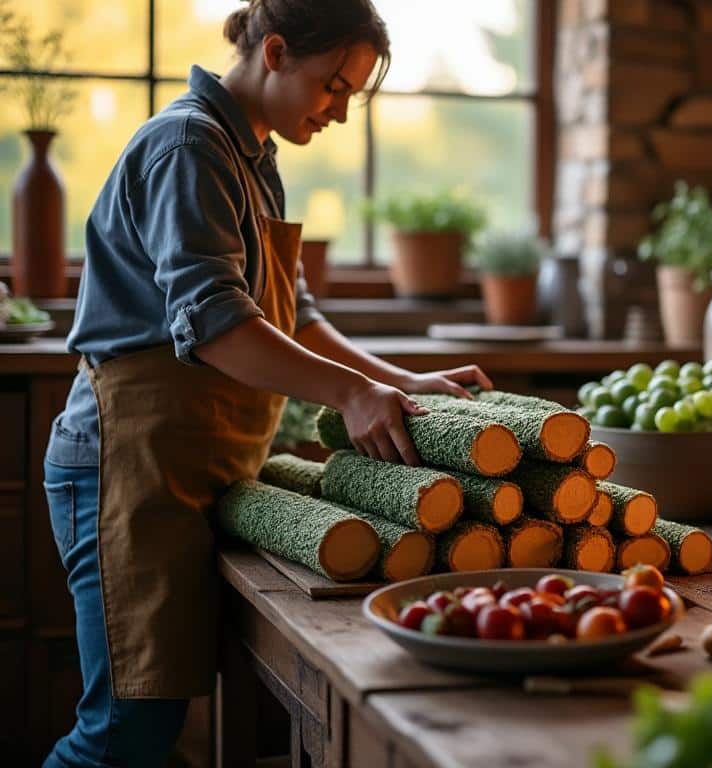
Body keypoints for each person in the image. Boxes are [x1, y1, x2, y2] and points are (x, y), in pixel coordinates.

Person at [42, 1, 489, 764]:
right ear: (275, 52)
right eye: (334, 86)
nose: (341, 113)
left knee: (158, 722)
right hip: (125, 472)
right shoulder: (188, 145)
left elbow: (296, 317)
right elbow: (216, 321)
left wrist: (402, 382)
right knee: (125, 731)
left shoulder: (251, 153)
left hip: (194, 468)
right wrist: (350, 395)